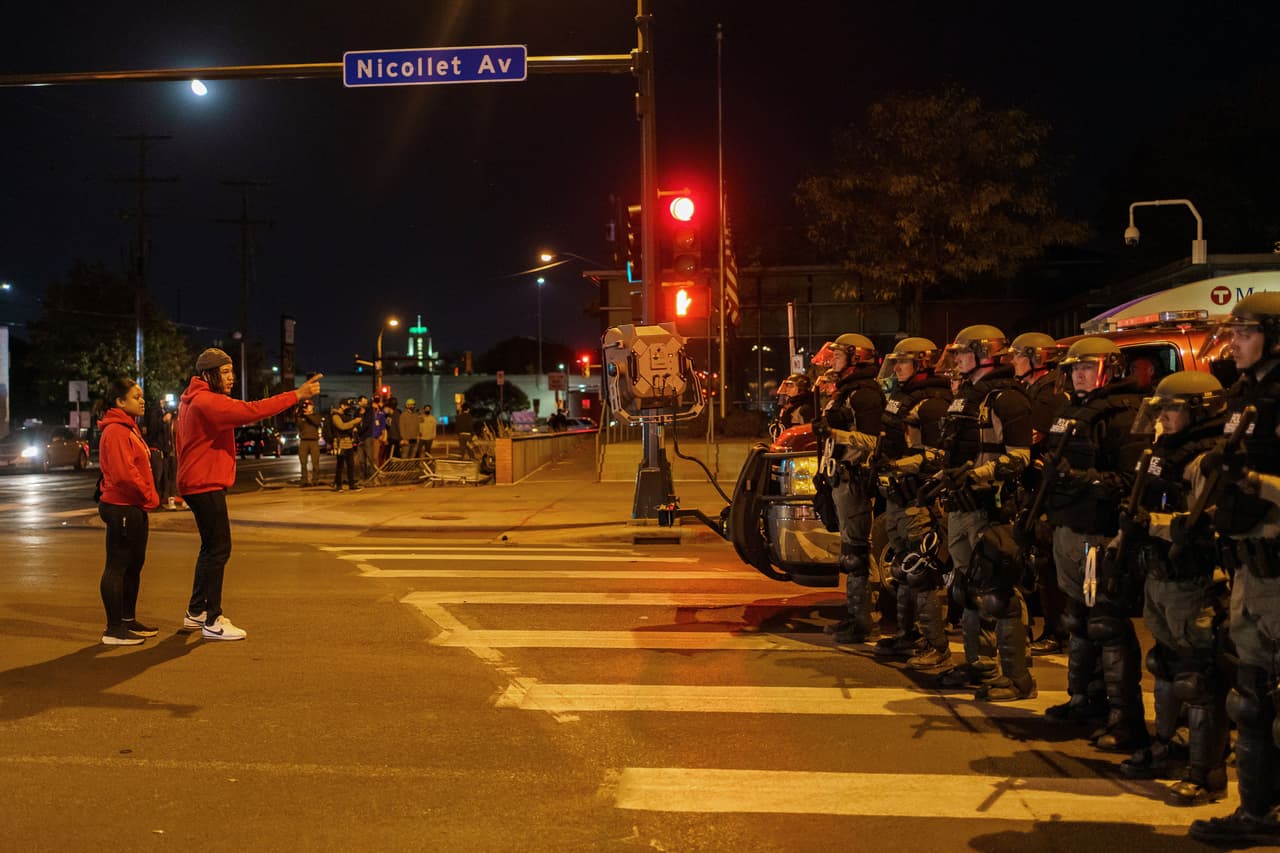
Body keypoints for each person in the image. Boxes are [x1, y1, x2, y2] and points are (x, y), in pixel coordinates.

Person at [1189, 292, 1280, 845]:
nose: (1235, 342)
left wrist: (1257, 484)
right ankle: (1255, 813)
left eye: (1246, 332)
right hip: (1249, 567)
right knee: (1248, 701)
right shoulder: (1245, 396)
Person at [1116, 371, 1230, 806]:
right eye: (1160, 408)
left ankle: (1206, 772)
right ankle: (1169, 745)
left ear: (1201, 410)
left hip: (1192, 577)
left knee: (1198, 678)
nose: (1162, 416)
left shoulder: (1208, 459)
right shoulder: (1163, 451)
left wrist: (1154, 525)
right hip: (1159, 573)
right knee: (1163, 664)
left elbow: (1205, 527)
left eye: (1173, 408)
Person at [1041, 336, 1148, 746]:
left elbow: (1130, 483)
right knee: (1078, 620)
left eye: (1089, 367)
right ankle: (1084, 699)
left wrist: (1079, 480)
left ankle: (1124, 718)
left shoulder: (1123, 414)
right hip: (1068, 528)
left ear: (1110, 369)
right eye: (1075, 368)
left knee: (1106, 623)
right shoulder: (1072, 410)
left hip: (1099, 533)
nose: (1080, 374)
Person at [176, 347, 323, 641]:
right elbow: (251, 411)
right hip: (204, 483)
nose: (231, 378)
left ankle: (196, 613)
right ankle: (213, 620)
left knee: (210, 549)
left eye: (232, 371)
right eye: (226, 372)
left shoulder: (196, 399)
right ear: (209, 374)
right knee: (219, 549)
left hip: (198, 481)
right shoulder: (207, 401)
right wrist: (297, 394)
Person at [929, 325, 1037, 701]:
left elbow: (1019, 457)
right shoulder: (970, 397)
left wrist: (975, 474)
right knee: (966, 590)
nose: (956, 359)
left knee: (998, 592)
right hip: (962, 504)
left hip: (990, 507)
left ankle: (1017, 676)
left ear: (982, 354)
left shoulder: (1007, 399)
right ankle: (981, 665)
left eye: (962, 353)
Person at [871, 337, 953, 668]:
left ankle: (936, 644)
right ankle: (909, 636)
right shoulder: (902, 398)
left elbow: (938, 457)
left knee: (922, 571)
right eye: (896, 362)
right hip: (897, 496)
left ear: (921, 364)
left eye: (904, 362)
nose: (897, 368)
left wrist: (901, 467)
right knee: (902, 568)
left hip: (918, 498)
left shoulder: (933, 404)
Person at [811, 333, 885, 644]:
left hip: (855, 477)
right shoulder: (845, 392)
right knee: (850, 549)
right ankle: (857, 614)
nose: (832, 362)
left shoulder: (864, 394)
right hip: (839, 476)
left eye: (839, 356)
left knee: (857, 551)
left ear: (856, 358)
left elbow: (873, 441)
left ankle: (864, 620)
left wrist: (835, 434)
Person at [1007, 332, 1071, 655]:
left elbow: (1030, 437)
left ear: (1036, 359)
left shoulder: (1048, 397)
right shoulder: (1034, 390)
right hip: (1035, 483)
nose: (1013, 362)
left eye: (1018, 356)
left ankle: (1057, 630)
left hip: (1044, 488)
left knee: (1046, 560)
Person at [97, 378, 160, 645]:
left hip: (133, 506)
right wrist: (149, 495)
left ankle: (127, 620)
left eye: (142, 395)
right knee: (117, 566)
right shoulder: (116, 431)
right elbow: (125, 475)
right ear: (119, 402)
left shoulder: (130, 428)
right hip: (121, 505)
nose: (142, 400)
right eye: (136, 397)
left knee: (134, 565)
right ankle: (113, 629)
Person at [330, 400, 362, 491]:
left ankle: (351, 484)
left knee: (350, 464)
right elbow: (342, 426)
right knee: (340, 464)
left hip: (348, 441)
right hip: (340, 442)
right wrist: (354, 422)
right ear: (342, 406)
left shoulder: (347, 416)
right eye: (347, 406)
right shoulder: (335, 416)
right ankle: (338, 485)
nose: (349, 408)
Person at [296, 396, 324, 486]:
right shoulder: (301, 416)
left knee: (315, 462)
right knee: (303, 462)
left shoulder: (316, 416)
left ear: (312, 406)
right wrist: (298, 414)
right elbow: (299, 425)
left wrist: (308, 415)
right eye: (306, 405)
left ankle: (315, 480)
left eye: (308, 405)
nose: (307, 407)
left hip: (313, 441)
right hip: (304, 441)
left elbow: (317, 423)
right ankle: (304, 480)